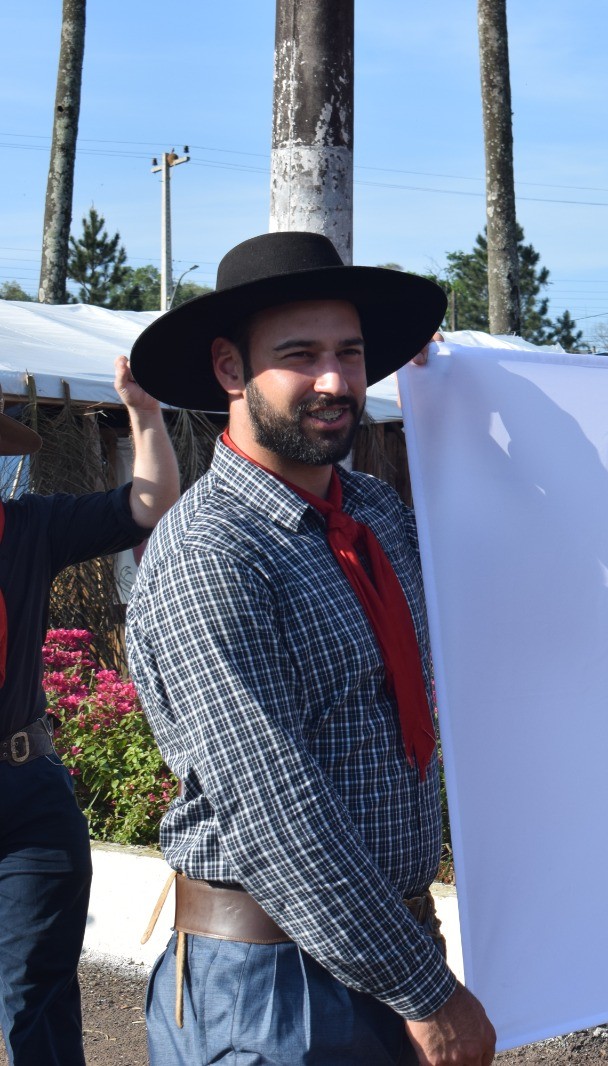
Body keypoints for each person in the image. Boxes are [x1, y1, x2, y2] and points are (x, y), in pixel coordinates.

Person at [125, 231, 495, 1065]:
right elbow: (274, 810)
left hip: (384, 947)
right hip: (270, 989)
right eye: (301, 356)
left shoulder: (373, 514)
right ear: (229, 368)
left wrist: (469, 392)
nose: (335, 381)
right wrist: (428, 993)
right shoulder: (211, 554)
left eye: (352, 353)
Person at [0, 358, 179, 1066]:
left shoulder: (27, 528)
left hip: (28, 790)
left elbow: (149, 504)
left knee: (35, 997)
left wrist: (144, 413)